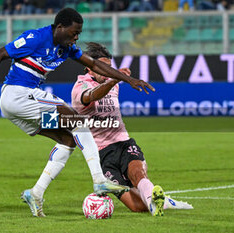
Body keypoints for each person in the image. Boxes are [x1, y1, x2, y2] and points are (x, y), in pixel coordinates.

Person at [0, 8, 154, 217]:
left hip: (21, 107)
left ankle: (35, 193)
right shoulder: (35, 38)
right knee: (78, 121)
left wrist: (129, 79)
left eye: (79, 33)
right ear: (60, 27)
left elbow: (94, 64)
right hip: (18, 95)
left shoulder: (67, 48)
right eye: (74, 32)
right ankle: (99, 181)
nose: (76, 37)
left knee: (67, 139)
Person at [71, 42, 193, 216]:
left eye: (110, 68)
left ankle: (154, 203)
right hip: (102, 155)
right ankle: (165, 202)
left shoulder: (113, 84)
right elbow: (93, 95)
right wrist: (114, 79)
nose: (107, 73)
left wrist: (115, 80)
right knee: (137, 206)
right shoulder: (80, 87)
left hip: (123, 143)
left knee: (137, 173)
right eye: (103, 68)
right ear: (89, 68)